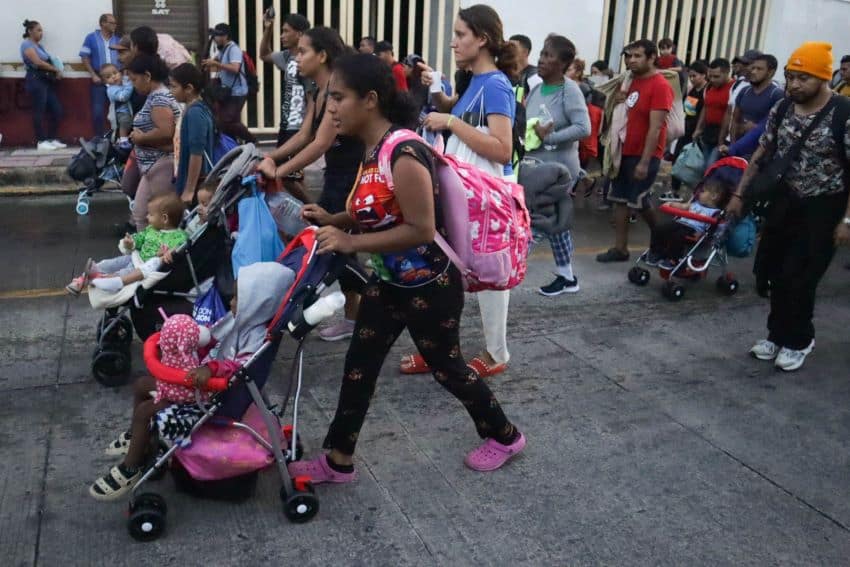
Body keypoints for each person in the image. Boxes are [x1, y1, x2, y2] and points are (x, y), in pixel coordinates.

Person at [286, 53, 525, 485]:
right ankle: (338, 460)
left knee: (447, 368)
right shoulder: (372, 149)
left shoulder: (405, 151)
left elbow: (420, 228)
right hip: (391, 283)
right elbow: (377, 210)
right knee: (359, 365)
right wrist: (333, 219)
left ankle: (505, 436)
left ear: (371, 100)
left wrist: (350, 241)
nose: (331, 108)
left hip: (430, 287)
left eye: (338, 97)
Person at [90, 262, 295, 500]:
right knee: (142, 385)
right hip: (197, 380)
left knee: (146, 411)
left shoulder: (256, 335)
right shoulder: (238, 319)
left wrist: (211, 367)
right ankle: (139, 439)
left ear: (259, 303)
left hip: (210, 396)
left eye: (238, 298)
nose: (231, 302)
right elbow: (211, 335)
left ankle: (131, 468)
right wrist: (190, 337)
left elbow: (239, 366)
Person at [726, 42, 850, 372]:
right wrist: (739, 194)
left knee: (801, 277)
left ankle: (799, 339)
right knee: (773, 271)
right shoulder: (782, 108)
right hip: (784, 201)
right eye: (791, 76)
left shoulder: (843, 113)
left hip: (824, 208)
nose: (795, 84)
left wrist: (847, 221)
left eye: (804, 78)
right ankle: (776, 334)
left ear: (823, 78)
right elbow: (762, 153)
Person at [414, 4, 517, 378]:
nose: (453, 42)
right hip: (463, 194)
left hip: (483, 197)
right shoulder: (474, 80)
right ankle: (441, 348)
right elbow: (462, 113)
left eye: (460, 35)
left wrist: (451, 120)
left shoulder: (496, 84)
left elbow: (502, 148)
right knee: (447, 272)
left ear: (483, 39)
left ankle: (496, 352)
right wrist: (441, 96)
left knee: (489, 276)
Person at [257, 27, 365, 342]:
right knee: (335, 248)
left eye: (302, 51)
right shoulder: (317, 91)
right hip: (336, 177)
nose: (296, 56)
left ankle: (373, 299)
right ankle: (357, 313)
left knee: (331, 246)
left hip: (350, 179)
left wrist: (278, 171)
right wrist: (268, 157)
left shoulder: (336, 91)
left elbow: (319, 144)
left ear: (322, 55)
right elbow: (303, 136)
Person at [525, 35, 591, 296]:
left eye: (549, 56)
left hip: (559, 170)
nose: (541, 59)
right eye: (541, 54)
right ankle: (567, 277)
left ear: (563, 63)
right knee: (556, 221)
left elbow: (583, 128)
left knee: (537, 221)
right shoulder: (537, 89)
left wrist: (549, 137)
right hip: (537, 166)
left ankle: (506, 271)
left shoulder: (569, 89)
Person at [596, 39, 673, 263]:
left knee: (639, 202)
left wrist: (645, 161)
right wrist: (616, 101)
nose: (631, 60)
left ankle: (664, 241)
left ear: (651, 57)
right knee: (620, 200)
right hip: (624, 150)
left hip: (644, 154)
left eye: (638, 56)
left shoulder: (659, 85)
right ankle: (620, 249)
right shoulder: (628, 81)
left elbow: (656, 127)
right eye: (629, 56)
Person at [65, 194, 187, 295]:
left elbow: (179, 248)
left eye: (151, 214)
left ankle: (96, 279)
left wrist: (168, 253)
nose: (147, 217)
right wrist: (131, 242)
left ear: (165, 219)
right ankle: (86, 276)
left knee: (124, 272)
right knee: (110, 263)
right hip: (135, 257)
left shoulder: (179, 237)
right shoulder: (151, 229)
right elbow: (140, 238)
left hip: (142, 266)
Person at [127, 54, 181, 231]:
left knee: (159, 216)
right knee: (140, 213)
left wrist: (141, 138)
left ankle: (155, 254)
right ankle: (143, 254)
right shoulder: (155, 96)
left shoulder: (159, 98)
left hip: (162, 164)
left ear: (148, 76)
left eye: (134, 79)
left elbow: (166, 132)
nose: (133, 84)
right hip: (152, 165)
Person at [260, 12, 313, 147]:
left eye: (286, 31)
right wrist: (268, 28)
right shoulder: (286, 56)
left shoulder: (309, 60)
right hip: (286, 125)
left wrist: (306, 131)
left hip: (298, 128)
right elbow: (264, 54)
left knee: (290, 166)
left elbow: (312, 99)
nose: (282, 36)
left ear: (299, 34)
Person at [649, 178, 726, 267]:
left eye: (703, 191)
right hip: (681, 223)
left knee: (678, 235)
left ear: (713, 196)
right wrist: (670, 204)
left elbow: (717, 227)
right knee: (658, 228)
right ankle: (656, 252)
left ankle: (673, 259)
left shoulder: (715, 212)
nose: (699, 193)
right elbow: (682, 206)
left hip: (694, 230)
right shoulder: (695, 204)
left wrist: (705, 234)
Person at [662, 60, 708, 202]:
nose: (692, 79)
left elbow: (704, 114)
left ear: (703, 75)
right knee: (677, 160)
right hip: (685, 130)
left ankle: (695, 195)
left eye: (695, 76)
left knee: (695, 165)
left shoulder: (707, 91)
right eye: (691, 76)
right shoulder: (692, 90)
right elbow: (686, 108)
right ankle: (675, 191)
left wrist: (698, 130)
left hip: (697, 134)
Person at [169, 63, 216, 205]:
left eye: (174, 86)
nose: (171, 91)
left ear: (188, 88)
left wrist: (189, 190)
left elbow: (197, 153)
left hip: (196, 185)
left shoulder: (195, 113)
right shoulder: (193, 109)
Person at [203, 23, 256, 143]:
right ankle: (233, 144)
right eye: (214, 36)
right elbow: (219, 68)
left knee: (228, 121)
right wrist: (210, 65)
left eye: (218, 36)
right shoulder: (223, 50)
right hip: (228, 91)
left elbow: (235, 68)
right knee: (226, 120)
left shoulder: (234, 49)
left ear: (225, 36)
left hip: (238, 92)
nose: (215, 39)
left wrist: (216, 64)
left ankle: (251, 140)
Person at [721, 54, 784, 154]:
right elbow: (735, 120)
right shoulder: (744, 91)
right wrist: (733, 146)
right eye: (753, 68)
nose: (753, 71)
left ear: (770, 72)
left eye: (759, 69)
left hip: (759, 154)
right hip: (737, 149)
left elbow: (773, 128)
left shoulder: (776, 95)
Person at [20, 20, 65, 151]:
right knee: (38, 110)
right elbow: (37, 62)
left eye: (41, 30)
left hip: (45, 80)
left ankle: (51, 138)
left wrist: (55, 68)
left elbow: (47, 60)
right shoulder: (26, 44)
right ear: (30, 31)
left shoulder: (39, 46)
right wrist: (55, 69)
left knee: (57, 109)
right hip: (35, 79)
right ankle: (41, 141)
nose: (41, 33)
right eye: (38, 30)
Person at [79, 14, 121, 136]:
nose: (115, 25)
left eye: (115, 23)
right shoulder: (91, 38)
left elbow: (124, 58)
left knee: (119, 111)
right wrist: (93, 75)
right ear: (103, 23)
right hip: (99, 79)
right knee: (97, 111)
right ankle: (99, 138)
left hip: (116, 80)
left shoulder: (118, 40)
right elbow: (84, 56)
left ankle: (117, 138)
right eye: (112, 23)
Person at [692, 57, 734, 168]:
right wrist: (698, 129)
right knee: (704, 165)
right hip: (708, 133)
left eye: (716, 77)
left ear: (727, 73)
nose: (713, 80)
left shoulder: (734, 88)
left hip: (722, 136)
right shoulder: (710, 87)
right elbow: (705, 108)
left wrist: (722, 140)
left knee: (711, 166)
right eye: (710, 76)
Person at [100, 64, 133, 142]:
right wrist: (130, 85)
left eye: (115, 73)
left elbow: (126, 79)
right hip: (121, 112)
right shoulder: (111, 90)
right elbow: (123, 97)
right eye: (108, 77)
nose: (113, 77)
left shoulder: (123, 82)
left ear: (120, 73)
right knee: (125, 122)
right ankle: (123, 140)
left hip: (129, 109)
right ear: (105, 82)